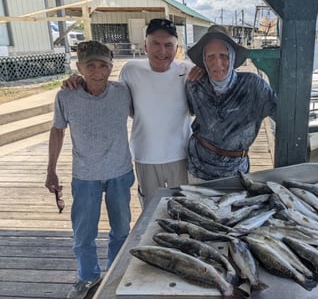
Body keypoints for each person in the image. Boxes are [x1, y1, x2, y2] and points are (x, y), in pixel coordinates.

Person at [63, 19, 199, 207]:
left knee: (185, 209)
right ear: (145, 46)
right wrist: (78, 80)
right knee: (151, 211)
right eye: (155, 44)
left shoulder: (189, 70)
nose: (162, 51)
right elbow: (110, 93)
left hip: (182, 155)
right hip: (144, 156)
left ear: (177, 48)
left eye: (169, 45)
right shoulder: (130, 69)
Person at [45, 41, 134, 299]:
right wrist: (51, 170)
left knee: (121, 229)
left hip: (120, 171)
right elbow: (57, 130)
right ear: (79, 67)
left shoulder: (123, 92)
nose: (98, 71)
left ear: (111, 67)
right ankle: (87, 276)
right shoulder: (66, 95)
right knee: (84, 233)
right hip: (84, 176)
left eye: (103, 65)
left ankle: (117, 274)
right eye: (90, 66)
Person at [185, 25, 277, 181]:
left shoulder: (253, 85)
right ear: (204, 60)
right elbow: (191, 110)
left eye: (224, 55)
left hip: (237, 172)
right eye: (210, 57)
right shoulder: (194, 84)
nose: (217, 63)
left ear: (233, 57)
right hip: (198, 168)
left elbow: (282, 114)